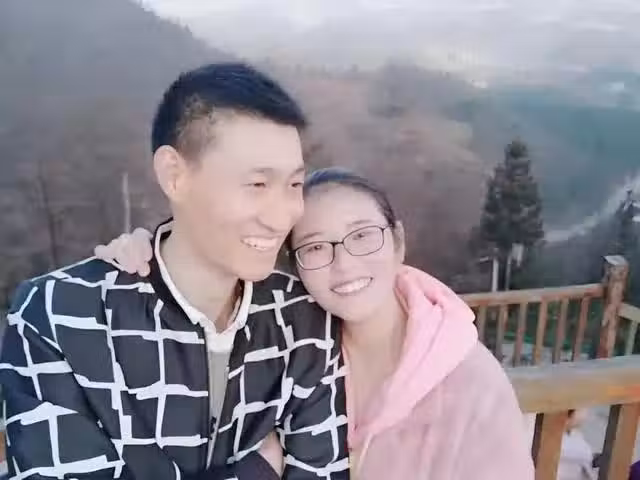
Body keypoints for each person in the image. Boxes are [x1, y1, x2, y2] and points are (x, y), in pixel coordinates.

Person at [0, 64, 349, 480]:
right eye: (257, 184)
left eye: (293, 185)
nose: (281, 217)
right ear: (174, 175)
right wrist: (257, 470)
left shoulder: (302, 318)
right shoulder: (61, 317)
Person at [96, 167, 535, 479]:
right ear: (296, 267)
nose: (344, 264)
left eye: (362, 236)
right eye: (315, 247)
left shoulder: (472, 385)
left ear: (398, 241)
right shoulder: (288, 347)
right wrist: (152, 257)